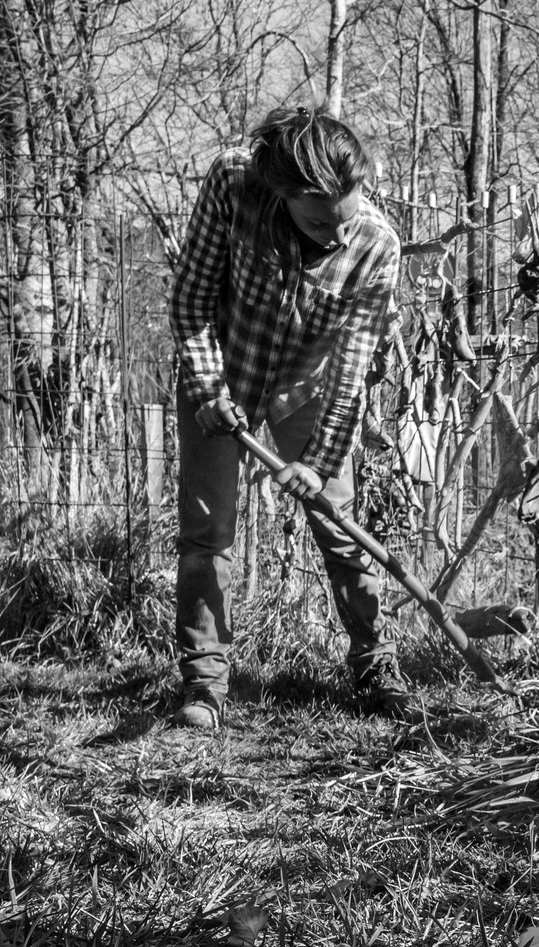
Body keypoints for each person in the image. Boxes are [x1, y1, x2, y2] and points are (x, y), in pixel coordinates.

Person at [168, 106, 408, 728]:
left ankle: (375, 663)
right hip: (221, 375)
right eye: (318, 219)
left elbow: (353, 369)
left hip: (308, 394)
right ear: (281, 193)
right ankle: (204, 683)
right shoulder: (232, 184)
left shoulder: (376, 246)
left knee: (338, 523)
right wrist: (206, 386)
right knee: (206, 534)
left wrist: (318, 459)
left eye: (344, 215)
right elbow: (192, 297)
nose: (334, 234)